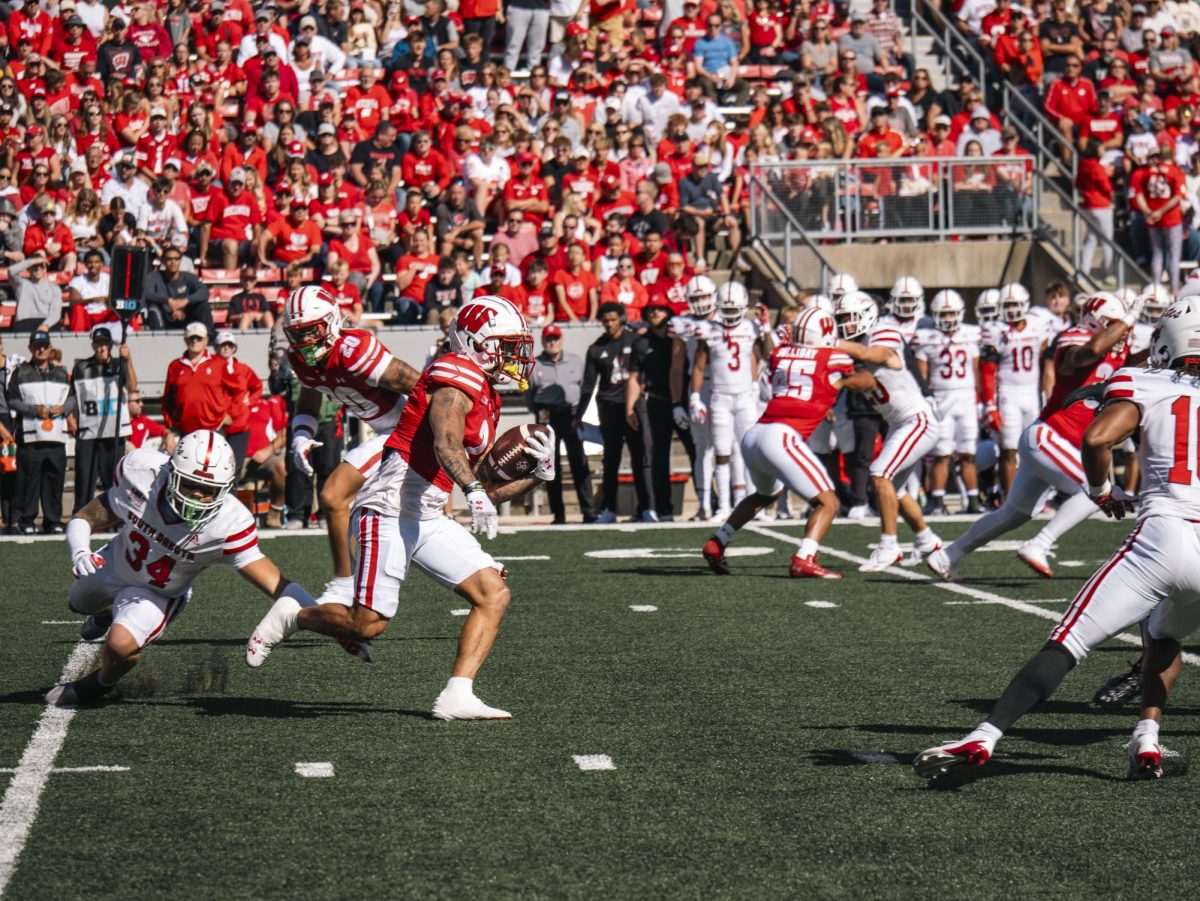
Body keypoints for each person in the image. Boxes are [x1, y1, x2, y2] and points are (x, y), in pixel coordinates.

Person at [915, 296, 1200, 782]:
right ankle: (1146, 741)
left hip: (1162, 533)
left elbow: (1096, 439)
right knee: (1164, 635)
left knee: (1069, 641)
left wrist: (1101, 490)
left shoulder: (1144, 380)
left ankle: (985, 735)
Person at [248, 296, 551, 721]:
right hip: (390, 505)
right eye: (506, 345)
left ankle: (457, 694)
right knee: (366, 624)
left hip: (426, 513)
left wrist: (540, 474)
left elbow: (485, 486)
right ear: (477, 344)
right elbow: (445, 441)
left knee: (493, 593)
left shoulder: (485, 392)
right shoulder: (456, 371)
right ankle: (294, 615)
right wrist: (472, 487)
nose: (516, 356)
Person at [49, 431, 333, 706]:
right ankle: (104, 613)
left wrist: (326, 619)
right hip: (116, 563)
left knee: (120, 647)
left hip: (159, 592)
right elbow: (88, 515)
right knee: (77, 603)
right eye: (189, 484)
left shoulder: (229, 523)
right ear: (171, 473)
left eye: (208, 490)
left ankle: (100, 685)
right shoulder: (142, 474)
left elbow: (277, 584)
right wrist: (80, 551)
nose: (197, 496)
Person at [926, 291, 1139, 582]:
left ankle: (948, 555)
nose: (1122, 331)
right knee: (1096, 490)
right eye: (1115, 324)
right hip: (1049, 436)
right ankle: (1039, 543)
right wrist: (1124, 322)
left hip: (1058, 444)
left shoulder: (1114, 348)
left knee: (1014, 514)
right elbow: (1088, 353)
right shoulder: (1074, 337)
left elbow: (1132, 364)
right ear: (1096, 321)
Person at [281, 285, 421, 605]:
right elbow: (307, 405)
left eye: (309, 332)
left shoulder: (354, 349)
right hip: (387, 431)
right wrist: (301, 436)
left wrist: (447, 434)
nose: (303, 343)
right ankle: (362, 590)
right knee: (374, 516)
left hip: (407, 429)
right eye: (296, 334)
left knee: (332, 495)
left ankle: (345, 587)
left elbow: (421, 386)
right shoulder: (304, 360)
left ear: (330, 322)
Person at [704, 307, 868, 579]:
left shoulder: (781, 353)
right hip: (782, 436)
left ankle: (718, 541)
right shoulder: (832, 357)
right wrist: (868, 375)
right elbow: (862, 382)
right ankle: (805, 557)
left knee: (765, 495)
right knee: (829, 503)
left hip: (755, 435)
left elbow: (778, 352)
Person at [834, 291, 945, 571]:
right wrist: (840, 382)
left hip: (917, 421)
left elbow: (871, 355)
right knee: (893, 490)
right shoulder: (856, 345)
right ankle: (927, 539)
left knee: (880, 473)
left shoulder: (883, 333)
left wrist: (830, 343)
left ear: (866, 316)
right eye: (841, 319)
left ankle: (888, 546)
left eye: (849, 318)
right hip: (901, 423)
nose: (845, 324)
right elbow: (867, 381)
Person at [689, 283, 763, 518]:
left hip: (743, 395)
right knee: (721, 451)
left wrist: (753, 384)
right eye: (726, 311)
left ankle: (751, 504)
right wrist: (694, 396)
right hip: (719, 395)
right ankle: (723, 506)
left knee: (749, 449)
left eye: (734, 311)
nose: (730, 317)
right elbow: (698, 367)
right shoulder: (710, 330)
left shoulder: (751, 328)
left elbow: (758, 355)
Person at [578, 301, 653, 523]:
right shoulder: (596, 348)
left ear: (621, 318)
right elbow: (588, 385)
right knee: (611, 459)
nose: (610, 324)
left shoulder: (635, 341)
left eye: (613, 319)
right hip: (609, 407)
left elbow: (647, 370)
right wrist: (578, 416)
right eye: (606, 321)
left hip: (633, 407)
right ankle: (610, 508)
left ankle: (646, 508)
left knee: (641, 457)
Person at [915, 291, 984, 515]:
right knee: (941, 454)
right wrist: (925, 402)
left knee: (967, 453)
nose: (947, 318)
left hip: (966, 398)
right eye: (943, 313)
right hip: (941, 399)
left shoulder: (972, 335)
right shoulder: (926, 338)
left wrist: (982, 400)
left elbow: (977, 370)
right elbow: (921, 377)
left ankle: (973, 500)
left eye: (951, 313)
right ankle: (937, 501)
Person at [980, 284, 1048, 498]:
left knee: (1034, 449)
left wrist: (1047, 393)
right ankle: (1009, 498)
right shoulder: (994, 330)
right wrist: (990, 406)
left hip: (1031, 393)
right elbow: (987, 369)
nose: (1010, 310)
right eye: (1007, 305)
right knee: (1009, 449)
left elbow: (1046, 363)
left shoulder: (1037, 325)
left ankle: (1034, 497)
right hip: (1008, 394)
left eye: (1014, 305)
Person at [526, 323, 595, 524]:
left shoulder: (575, 361)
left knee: (579, 463)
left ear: (561, 339)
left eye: (555, 338)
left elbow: (585, 389)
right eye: (549, 339)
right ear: (543, 342)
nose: (552, 342)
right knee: (549, 466)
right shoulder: (535, 364)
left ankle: (589, 511)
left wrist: (579, 414)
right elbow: (529, 395)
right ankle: (559, 514)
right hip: (547, 418)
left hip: (571, 415)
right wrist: (539, 413)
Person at [6, 329, 72, 534]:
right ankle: (26, 521)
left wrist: (65, 408)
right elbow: (12, 400)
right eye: (37, 346)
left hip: (56, 437)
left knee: (54, 481)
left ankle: (53, 520)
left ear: (50, 348)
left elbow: (73, 397)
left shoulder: (62, 373)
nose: (41, 349)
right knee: (28, 482)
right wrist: (36, 410)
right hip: (30, 436)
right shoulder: (20, 372)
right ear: (30, 348)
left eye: (44, 346)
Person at [627, 302, 686, 521]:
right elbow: (634, 377)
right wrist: (630, 408)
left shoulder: (679, 338)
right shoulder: (641, 343)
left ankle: (711, 503)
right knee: (659, 457)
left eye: (660, 309)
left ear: (669, 313)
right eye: (651, 310)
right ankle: (664, 508)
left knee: (698, 452)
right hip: (656, 402)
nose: (655, 312)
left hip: (684, 402)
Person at [70, 326, 136, 513]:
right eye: (98, 344)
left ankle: (115, 515)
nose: (101, 348)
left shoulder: (119, 364)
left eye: (105, 344)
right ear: (93, 345)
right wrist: (69, 417)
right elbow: (73, 394)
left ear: (110, 346)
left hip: (114, 429)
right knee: (85, 478)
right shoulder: (81, 367)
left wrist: (128, 359)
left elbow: (133, 385)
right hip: (89, 430)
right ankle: (81, 515)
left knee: (113, 477)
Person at [671, 275, 719, 519]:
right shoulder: (682, 325)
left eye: (704, 296)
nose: (700, 302)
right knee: (703, 449)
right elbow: (677, 366)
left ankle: (728, 503)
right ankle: (704, 504)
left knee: (727, 447)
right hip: (698, 389)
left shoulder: (726, 319)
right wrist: (677, 402)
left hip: (726, 388)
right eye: (696, 298)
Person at [161, 323, 237, 438]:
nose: (195, 341)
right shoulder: (175, 366)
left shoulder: (219, 363)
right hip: (185, 431)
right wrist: (170, 423)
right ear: (186, 340)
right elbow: (168, 398)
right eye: (192, 338)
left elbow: (238, 390)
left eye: (199, 338)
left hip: (214, 429)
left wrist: (231, 414)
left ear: (206, 340)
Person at [213, 330, 262, 475]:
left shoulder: (243, 369)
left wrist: (249, 401)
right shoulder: (209, 369)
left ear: (234, 348)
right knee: (216, 468)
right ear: (216, 347)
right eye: (223, 345)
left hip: (239, 425)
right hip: (217, 424)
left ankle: (231, 498)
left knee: (235, 469)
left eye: (229, 345)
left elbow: (257, 386)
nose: (226, 348)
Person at [144, 248, 214, 332]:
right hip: (164, 317)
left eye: (176, 259)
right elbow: (147, 293)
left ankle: (208, 336)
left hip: (185, 317)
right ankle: (159, 340)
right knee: (153, 308)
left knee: (203, 305)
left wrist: (186, 301)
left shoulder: (189, 277)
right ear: (163, 261)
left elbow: (204, 291)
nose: (173, 262)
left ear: (180, 261)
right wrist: (168, 301)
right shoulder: (154, 276)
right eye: (169, 259)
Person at [10, 254, 63, 333]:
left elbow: (55, 312)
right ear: (28, 268)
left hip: (46, 321)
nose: (38, 269)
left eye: (41, 266)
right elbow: (11, 271)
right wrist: (32, 261)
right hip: (24, 322)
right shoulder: (21, 284)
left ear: (45, 269)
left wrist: (46, 325)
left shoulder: (54, 288)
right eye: (34, 266)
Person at [228, 265, 275, 330]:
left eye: (251, 280)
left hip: (259, 324)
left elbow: (266, 312)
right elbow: (231, 317)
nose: (248, 282)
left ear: (255, 281)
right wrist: (242, 316)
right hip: (242, 324)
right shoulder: (236, 298)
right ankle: (243, 338)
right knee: (245, 317)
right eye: (245, 280)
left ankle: (272, 337)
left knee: (267, 314)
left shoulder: (261, 297)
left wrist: (257, 315)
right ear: (241, 280)